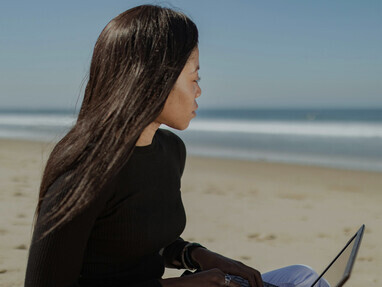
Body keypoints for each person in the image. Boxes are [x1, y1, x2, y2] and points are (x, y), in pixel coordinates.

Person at [24, 5, 329, 287]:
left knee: (304, 277)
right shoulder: (85, 169)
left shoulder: (170, 150)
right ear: (153, 78)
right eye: (194, 77)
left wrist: (199, 256)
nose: (199, 90)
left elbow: (142, 241)